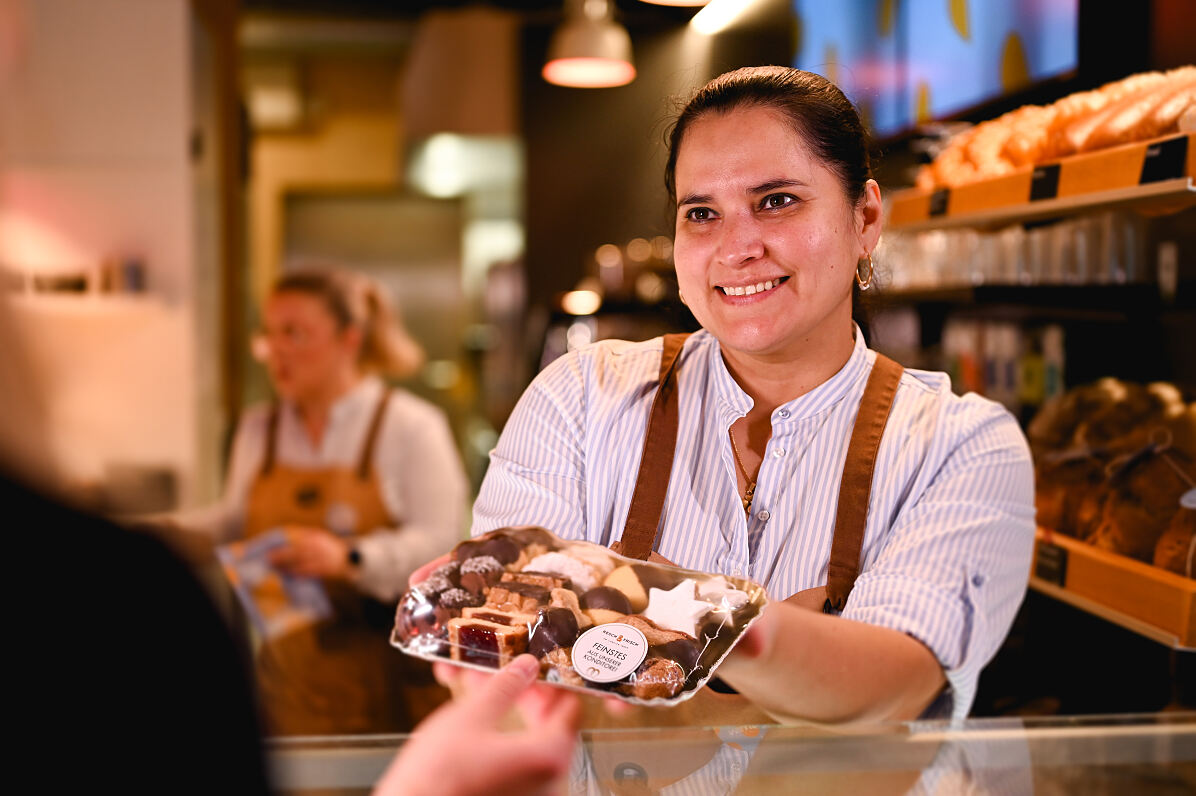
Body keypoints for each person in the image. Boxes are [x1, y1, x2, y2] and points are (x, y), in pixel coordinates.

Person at [471, 66, 1036, 724]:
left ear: (865, 218)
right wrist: (766, 636)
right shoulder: (581, 398)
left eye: (776, 201)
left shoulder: (959, 444)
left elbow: (892, 682)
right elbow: (498, 650)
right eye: (702, 213)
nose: (738, 247)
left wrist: (679, 604)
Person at [173, 267, 468, 735]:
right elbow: (235, 520)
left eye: (296, 333)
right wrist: (160, 535)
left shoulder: (411, 427)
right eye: (270, 334)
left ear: (349, 338)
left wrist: (350, 557)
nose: (277, 350)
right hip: (289, 683)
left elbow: (444, 546)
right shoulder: (258, 428)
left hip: (391, 688)